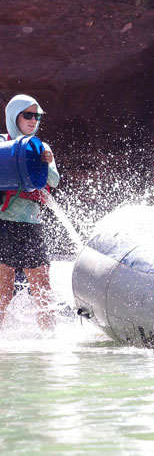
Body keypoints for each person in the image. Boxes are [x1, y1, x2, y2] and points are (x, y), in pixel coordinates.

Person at [0, 94, 60, 329]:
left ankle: (50, 342)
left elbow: (53, 181)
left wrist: (46, 162)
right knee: (3, 292)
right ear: (14, 117)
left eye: (38, 116)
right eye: (28, 115)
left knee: (42, 290)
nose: (34, 121)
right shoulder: (1, 143)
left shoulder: (42, 147)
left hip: (31, 226)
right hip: (3, 225)